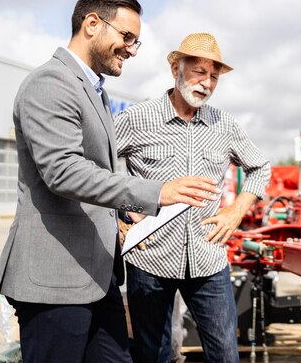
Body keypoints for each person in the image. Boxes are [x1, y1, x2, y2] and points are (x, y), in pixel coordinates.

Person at [0, 0, 220, 363]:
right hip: (56, 281)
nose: (131, 49)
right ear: (92, 24)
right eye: (126, 37)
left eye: (136, 42)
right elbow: (63, 172)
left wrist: (125, 216)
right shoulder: (50, 83)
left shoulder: (94, 91)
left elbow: (99, 172)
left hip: (96, 279)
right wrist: (155, 191)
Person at [115, 32, 271, 363]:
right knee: (153, 356)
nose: (207, 83)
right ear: (175, 68)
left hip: (208, 257)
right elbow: (93, 167)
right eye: (199, 71)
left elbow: (261, 168)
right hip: (150, 258)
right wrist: (118, 215)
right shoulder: (137, 118)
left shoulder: (224, 125)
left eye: (214, 76)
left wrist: (236, 211)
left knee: (226, 355)